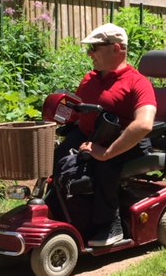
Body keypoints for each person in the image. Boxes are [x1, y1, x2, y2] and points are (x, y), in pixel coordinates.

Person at [56, 23, 157, 247]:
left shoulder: (138, 83)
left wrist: (107, 153)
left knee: (102, 165)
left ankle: (111, 224)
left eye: (95, 47)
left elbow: (144, 124)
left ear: (117, 48)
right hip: (92, 136)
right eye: (89, 49)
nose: (90, 53)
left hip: (126, 143)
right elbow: (76, 112)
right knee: (56, 157)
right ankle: (57, 208)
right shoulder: (90, 79)